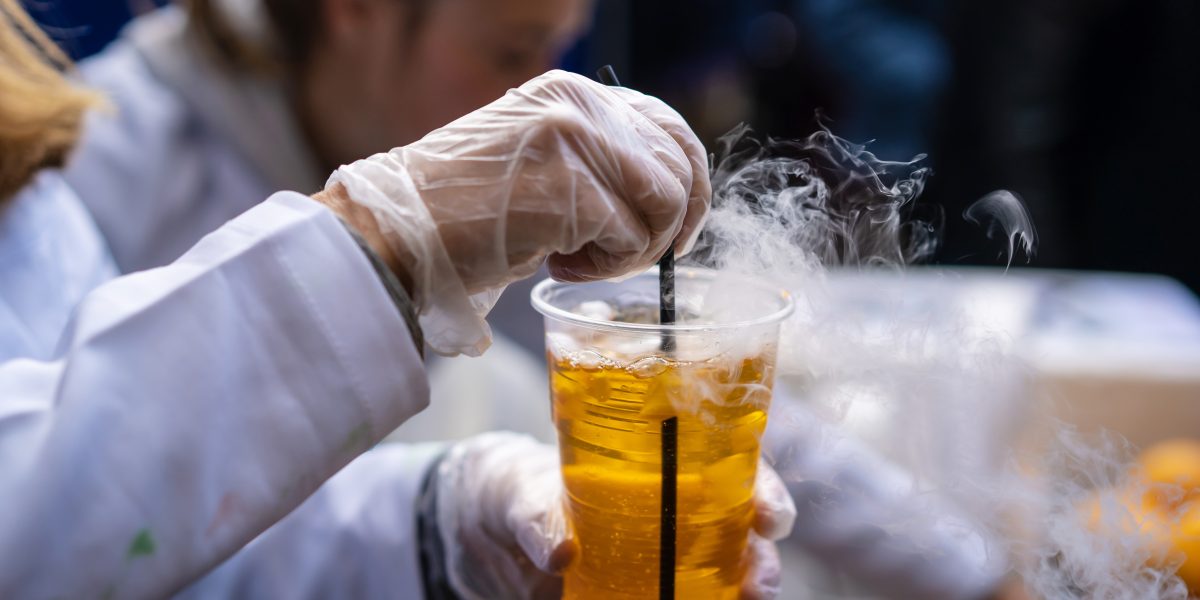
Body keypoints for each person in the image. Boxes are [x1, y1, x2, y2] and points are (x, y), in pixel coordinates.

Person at [0, 1, 795, 596]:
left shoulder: (32, 183)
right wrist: (384, 235)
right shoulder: (113, 164)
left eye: (557, 48)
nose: (535, 85)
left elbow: (166, 532)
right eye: (512, 50)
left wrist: (445, 526)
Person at [63, 0, 589, 442]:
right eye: (512, 53)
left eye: (558, 52)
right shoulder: (94, 168)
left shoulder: (481, 134)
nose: (542, 105)